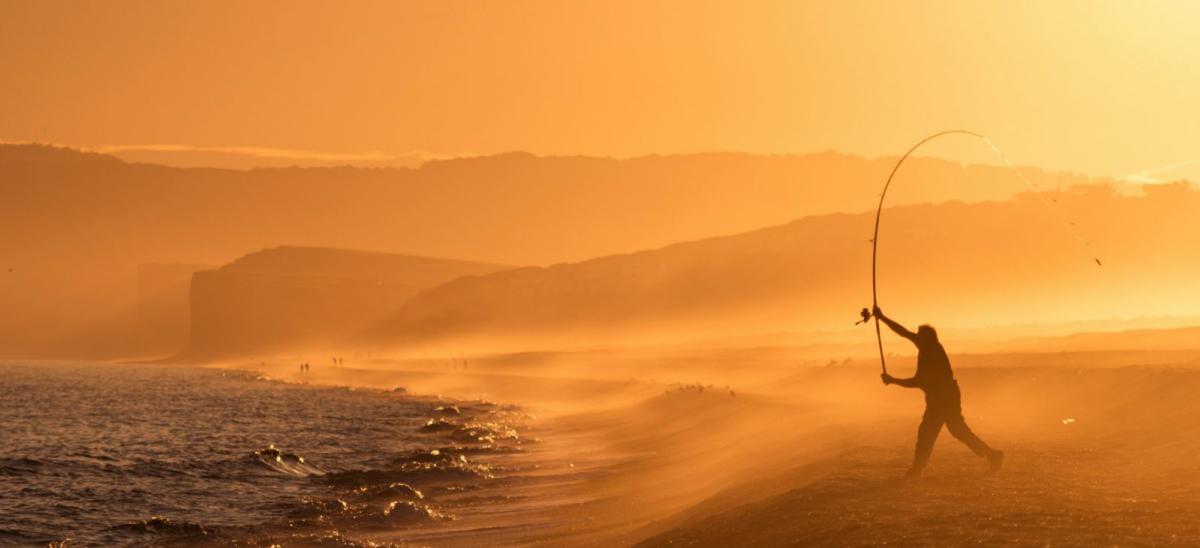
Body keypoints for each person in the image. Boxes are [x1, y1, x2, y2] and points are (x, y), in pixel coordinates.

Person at [873, 306, 1004, 478]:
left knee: (927, 432)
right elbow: (904, 333)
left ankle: (916, 469)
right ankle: (992, 454)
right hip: (948, 395)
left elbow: (917, 382)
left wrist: (892, 380)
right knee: (958, 430)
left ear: (925, 339)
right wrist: (882, 318)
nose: (915, 337)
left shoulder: (931, 352)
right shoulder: (930, 347)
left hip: (942, 399)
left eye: (918, 335)